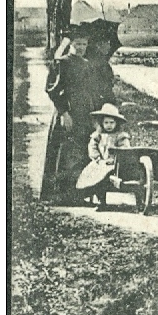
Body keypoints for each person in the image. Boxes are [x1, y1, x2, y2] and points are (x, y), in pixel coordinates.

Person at [42, 20, 121, 204]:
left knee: (83, 150)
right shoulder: (63, 63)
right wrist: (63, 113)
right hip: (69, 112)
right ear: (70, 44)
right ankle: (62, 194)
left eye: (84, 44)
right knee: (67, 152)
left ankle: (80, 193)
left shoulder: (87, 63)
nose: (81, 47)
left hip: (86, 112)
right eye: (77, 44)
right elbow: (53, 90)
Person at [75, 103, 131, 208]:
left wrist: (115, 159)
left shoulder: (120, 136)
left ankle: (102, 200)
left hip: (115, 164)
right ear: (101, 123)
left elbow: (125, 150)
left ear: (116, 123)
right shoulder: (98, 136)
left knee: (105, 175)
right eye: (106, 123)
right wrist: (97, 159)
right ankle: (101, 200)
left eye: (111, 122)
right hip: (100, 162)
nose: (109, 125)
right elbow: (92, 147)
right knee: (93, 174)